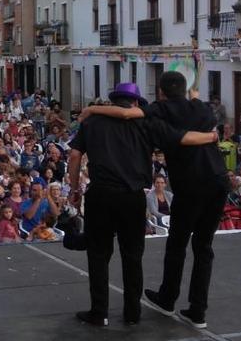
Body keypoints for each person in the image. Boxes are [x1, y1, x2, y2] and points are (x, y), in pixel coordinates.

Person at [80, 73, 229, 329]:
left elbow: (129, 116)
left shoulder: (158, 114)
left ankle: (167, 298)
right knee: (203, 247)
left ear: (160, 93)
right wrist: (212, 137)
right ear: (185, 91)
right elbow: (203, 129)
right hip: (218, 180)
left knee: (177, 244)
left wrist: (91, 108)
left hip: (190, 185)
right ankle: (197, 311)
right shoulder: (202, 109)